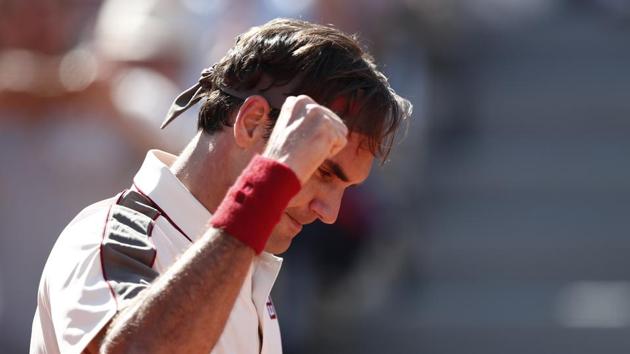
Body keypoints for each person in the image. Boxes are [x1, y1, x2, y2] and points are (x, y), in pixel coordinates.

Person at [30, 18, 411, 354]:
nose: (328, 213)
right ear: (250, 123)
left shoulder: (242, 268)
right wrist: (271, 181)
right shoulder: (106, 237)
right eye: (323, 171)